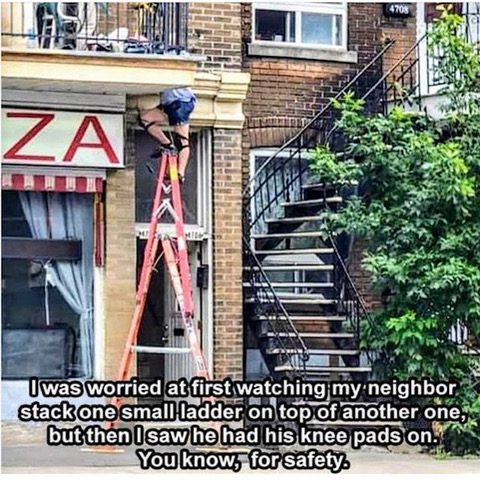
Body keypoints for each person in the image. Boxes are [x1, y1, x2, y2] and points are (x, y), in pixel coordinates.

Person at [138, 87, 196, 182]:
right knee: (145, 118)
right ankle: (167, 144)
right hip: (168, 104)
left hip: (181, 102)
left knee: (182, 140)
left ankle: (180, 173)